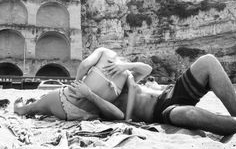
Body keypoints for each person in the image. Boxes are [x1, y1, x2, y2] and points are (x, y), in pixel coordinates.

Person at [72, 54, 236, 138]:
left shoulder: (123, 80)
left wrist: (126, 65)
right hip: (164, 113)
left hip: (170, 93)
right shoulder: (103, 102)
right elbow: (118, 116)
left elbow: (146, 69)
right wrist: (90, 95)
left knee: (208, 61)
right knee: (188, 114)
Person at [14, 47, 152, 120]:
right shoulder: (128, 77)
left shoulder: (105, 52)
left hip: (65, 102)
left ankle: (21, 108)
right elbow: (147, 69)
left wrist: (77, 83)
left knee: (30, 109)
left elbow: (85, 64)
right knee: (41, 109)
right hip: (86, 115)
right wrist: (127, 67)